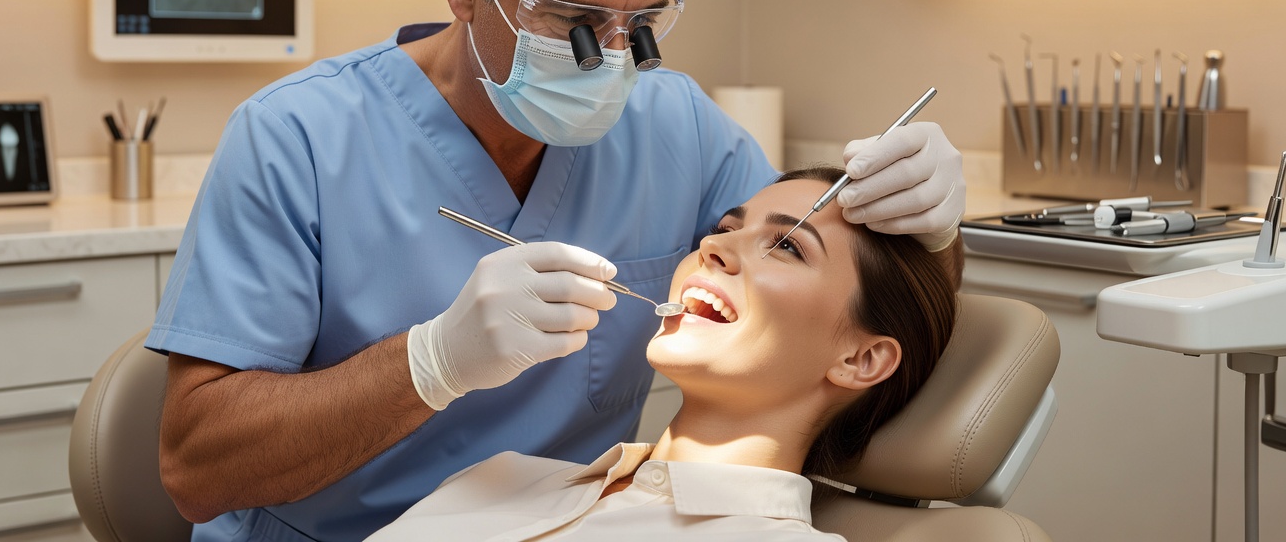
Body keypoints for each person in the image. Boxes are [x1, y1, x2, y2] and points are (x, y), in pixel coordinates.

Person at [147, 0, 968, 542]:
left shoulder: (671, 122)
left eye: (643, 22)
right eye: (575, 20)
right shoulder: (297, 137)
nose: (616, 60)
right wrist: (432, 362)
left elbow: (844, 277)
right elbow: (196, 472)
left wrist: (931, 224)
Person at [366, 166, 960, 540]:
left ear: (862, 360)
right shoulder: (501, 477)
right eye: (728, 225)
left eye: (786, 246)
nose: (715, 245)